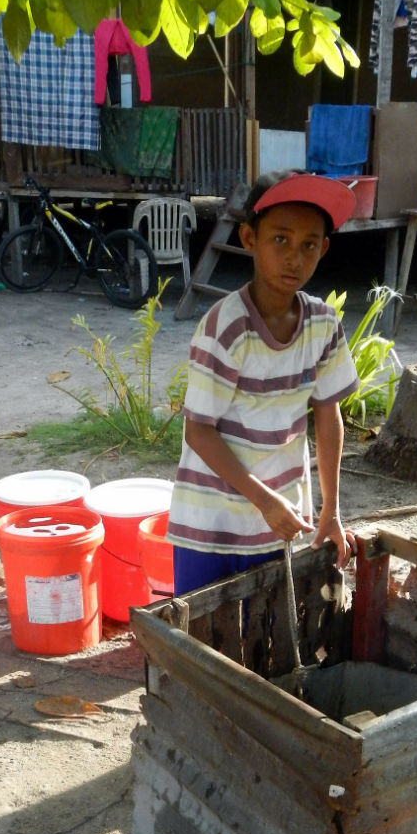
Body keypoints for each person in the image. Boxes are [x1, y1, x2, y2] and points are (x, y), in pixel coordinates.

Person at [167, 170, 359, 595]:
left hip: (277, 519)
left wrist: (331, 508)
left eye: (309, 245)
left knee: (263, 643)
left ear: (323, 249)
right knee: (201, 643)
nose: (294, 257)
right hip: (210, 523)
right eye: (281, 240)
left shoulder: (323, 327)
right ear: (250, 238)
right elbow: (198, 431)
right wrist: (264, 500)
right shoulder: (225, 328)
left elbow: (329, 417)